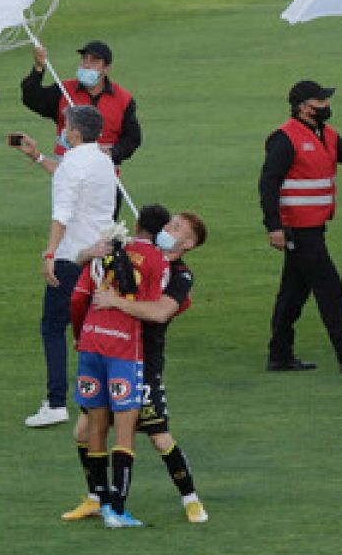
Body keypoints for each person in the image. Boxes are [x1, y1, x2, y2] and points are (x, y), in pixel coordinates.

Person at [63, 206, 211, 525]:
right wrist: (94, 252)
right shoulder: (134, 254)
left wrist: (115, 302)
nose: (168, 231)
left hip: (142, 360)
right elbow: (84, 274)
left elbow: (160, 312)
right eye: (169, 224)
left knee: (158, 436)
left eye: (177, 230)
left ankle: (191, 498)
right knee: (84, 430)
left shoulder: (181, 275)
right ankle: (97, 497)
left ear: (187, 245)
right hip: (109, 353)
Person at [260, 79, 342, 373]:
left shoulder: (325, 134)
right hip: (298, 229)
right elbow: (268, 183)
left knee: (293, 293)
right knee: (330, 290)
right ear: (303, 107)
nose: (327, 106)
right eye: (321, 101)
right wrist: (273, 226)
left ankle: (279, 354)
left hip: (311, 227)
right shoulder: (285, 138)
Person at [18, 104, 117, 428]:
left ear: (74, 131)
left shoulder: (74, 165)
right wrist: (37, 157)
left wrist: (49, 254)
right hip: (103, 256)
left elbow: (62, 213)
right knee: (99, 328)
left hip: (73, 258)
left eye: (66, 125)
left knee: (53, 327)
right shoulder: (103, 160)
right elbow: (69, 177)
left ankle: (56, 401)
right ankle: (113, 394)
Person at [71, 224, 168, 528]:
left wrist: (79, 335)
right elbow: (152, 309)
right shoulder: (156, 261)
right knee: (124, 432)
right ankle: (117, 511)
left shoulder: (106, 249)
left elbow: (77, 298)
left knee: (95, 427)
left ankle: (98, 498)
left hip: (90, 343)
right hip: (124, 351)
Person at [20, 38, 141, 176]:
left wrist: (112, 153)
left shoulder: (122, 99)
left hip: (104, 176)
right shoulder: (63, 91)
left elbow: (133, 138)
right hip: (67, 175)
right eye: (84, 60)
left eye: (94, 61)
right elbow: (31, 98)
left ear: (106, 68)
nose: (87, 65)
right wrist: (38, 67)